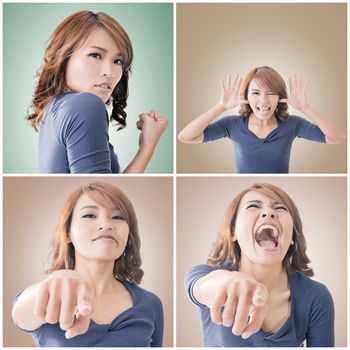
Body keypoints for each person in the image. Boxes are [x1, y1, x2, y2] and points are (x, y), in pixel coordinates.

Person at [12, 181, 164, 347]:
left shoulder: (151, 304)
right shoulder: (49, 291)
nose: (106, 225)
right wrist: (56, 280)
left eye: (117, 217)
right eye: (90, 215)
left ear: (128, 235)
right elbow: (19, 313)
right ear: (68, 232)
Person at [185, 183, 334, 347]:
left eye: (280, 208)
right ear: (233, 231)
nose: (269, 212)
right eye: (253, 206)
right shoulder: (204, 274)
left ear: (292, 235)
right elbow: (199, 288)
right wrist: (229, 282)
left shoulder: (316, 296)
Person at [26, 11, 168, 173]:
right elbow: (101, 192)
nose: (110, 72)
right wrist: (147, 147)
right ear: (64, 57)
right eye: (95, 55)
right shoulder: (85, 105)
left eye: (118, 61)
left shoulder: (53, 107)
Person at [178, 66, 345, 173]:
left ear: (280, 97)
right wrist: (221, 106)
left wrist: (305, 107)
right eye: (256, 93)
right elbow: (186, 137)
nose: (264, 101)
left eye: (271, 93)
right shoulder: (232, 125)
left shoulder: (292, 124)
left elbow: (337, 137)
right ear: (246, 96)